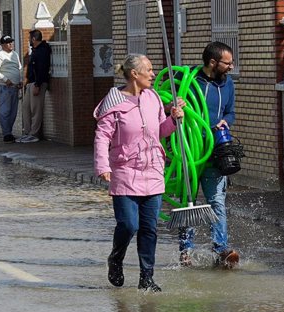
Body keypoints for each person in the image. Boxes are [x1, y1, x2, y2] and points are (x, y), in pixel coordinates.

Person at [94, 54, 184, 292]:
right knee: (128, 225)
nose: (153, 74)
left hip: (153, 170)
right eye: (149, 70)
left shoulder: (153, 98)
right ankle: (116, 258)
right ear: (134, 74)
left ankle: (147, 277)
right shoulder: (113, 102)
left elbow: (160, 131)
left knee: (149, 228)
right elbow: (102, 137)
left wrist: (174, 120)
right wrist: (103, 166)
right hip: (124, 170)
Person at [178, 42, 239, 268]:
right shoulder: (190, 80)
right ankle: (186, 250)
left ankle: (221, 250)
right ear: (213, 62)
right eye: (228, 62)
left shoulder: (228, 83)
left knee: (217, 202)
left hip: (216, 152)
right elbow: (165, 100)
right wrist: (173, 104)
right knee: (189, 202)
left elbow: (231, 112)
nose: (232, 66)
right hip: (191, 152)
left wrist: (226, 121)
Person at [18, 29, 51, 143]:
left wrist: (38, 84)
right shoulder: (35, 50)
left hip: (38, 83)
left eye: (29, 39)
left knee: (36, 109)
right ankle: (27, 132)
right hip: (31, 82)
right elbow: (32, 68)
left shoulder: (42, 51)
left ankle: (35, 133)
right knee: (26, 107)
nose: (28, 41)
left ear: (33, 39)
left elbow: (41, 69)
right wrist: (27, 80)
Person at [0, 35, 22, 143]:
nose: (10, 44)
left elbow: (19, 68)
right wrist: (5, 79)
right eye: (8, 43)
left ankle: (9, 131)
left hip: (15, 87)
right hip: (5, 87)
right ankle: (6, 134)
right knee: (5, 111)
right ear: (2, 45)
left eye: (11, 42)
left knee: (13, 111)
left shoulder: (15, 54)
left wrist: (20, 80)